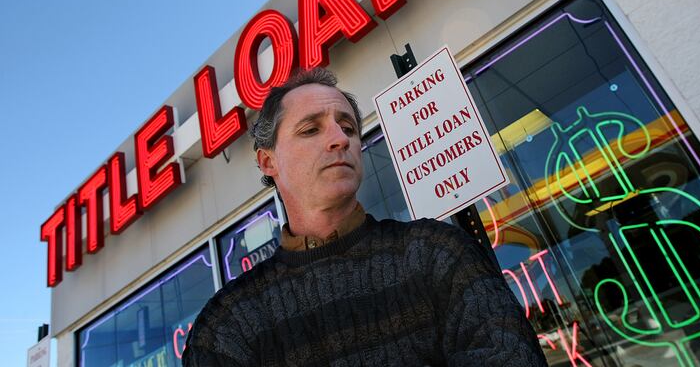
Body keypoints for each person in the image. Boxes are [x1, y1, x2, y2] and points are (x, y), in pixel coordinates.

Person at [183, 68, 547, 366]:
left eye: (348, 127)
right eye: (311, 129)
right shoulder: (229, 323)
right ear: (268, 161)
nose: (339, 139)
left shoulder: (438, 253)